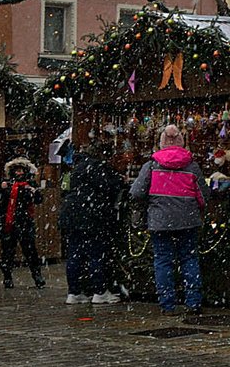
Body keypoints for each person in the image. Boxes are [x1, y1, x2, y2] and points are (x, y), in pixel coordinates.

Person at [132, 125, 209, 316]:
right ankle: (193, 302)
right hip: (188, 220)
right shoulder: (192, 166)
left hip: (159, 221)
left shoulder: (151, 165)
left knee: (163, 261)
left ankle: (167, 305)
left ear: (161, 142)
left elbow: (136, 192)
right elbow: (203, 196)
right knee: (189, 259)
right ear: (182, 142)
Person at [58, 147, 127, 304]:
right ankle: (100, 291)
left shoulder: (76, 168)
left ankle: (74, 292)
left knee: (75, 253)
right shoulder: (97, 166)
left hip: (72, 214)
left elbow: (65, 188)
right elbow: (109, 186)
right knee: (96, 253)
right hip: (91, 215)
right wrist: (120, 180)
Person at [0, 157, 47, 289]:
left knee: (30, 251)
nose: (19, 173)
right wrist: (1, 188)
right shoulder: (6, 184)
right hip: (9, 222)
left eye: (21, 170)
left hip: (25, 222)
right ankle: (7, 277)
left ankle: (37, 276)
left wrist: (34, 192)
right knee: (8, 252)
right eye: (16, 171)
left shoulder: (30, 185)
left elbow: (39, 200)